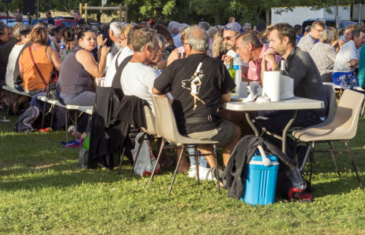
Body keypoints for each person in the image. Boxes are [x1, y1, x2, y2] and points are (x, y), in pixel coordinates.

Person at [153, 26, 240, 178]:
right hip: (205, 126)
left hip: (178, 128)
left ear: (188, 46)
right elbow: (227, 98)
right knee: (235, 130)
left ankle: (214, 167)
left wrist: (176, 95)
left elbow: (155, 91)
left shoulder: (176, 65)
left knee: (203, 130)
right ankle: (227, 172)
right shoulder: (217, 64)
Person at [260, 23, 328, 134]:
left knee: (266, 125)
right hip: (296, 109)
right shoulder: (285, 59)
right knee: (258, 120)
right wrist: (263, 62)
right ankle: (285, 150)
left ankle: (295, 151)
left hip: (312, 113)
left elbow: (282, 89)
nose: (270, 45)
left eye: (273, 41)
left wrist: (273, 63)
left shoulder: (301, 57)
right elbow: (266, 86)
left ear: (285, 40)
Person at [56, 26, 110, 138]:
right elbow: (99, 73)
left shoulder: (78, 50)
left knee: (96, 99)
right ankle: (86, 133)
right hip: (72, 94)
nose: (92, 42)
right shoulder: (83, 53)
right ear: (80, 40)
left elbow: (97, 68)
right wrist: (104, 55)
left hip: (66, 93)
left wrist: (100, 48)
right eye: (89, 39)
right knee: (104, 101)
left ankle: (80, 130)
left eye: (94, 39)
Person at [120, 28, 160, 114]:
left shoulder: (126, 69)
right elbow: (166, 102)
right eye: (157, 45)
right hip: (158, 123)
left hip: (138, 121)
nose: (159, 48)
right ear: (148, 48)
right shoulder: (148, 73)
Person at [18, 27, 62, 96]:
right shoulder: (48, 50)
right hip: (43, 88)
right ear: (45, 37)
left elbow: (21, 73)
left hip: (27, 88)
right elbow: (60, 68)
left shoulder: (24, 51)